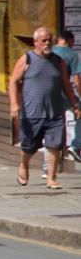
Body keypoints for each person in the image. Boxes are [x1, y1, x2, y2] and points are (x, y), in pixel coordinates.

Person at [9, 27, 81, 189]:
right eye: (44, 40)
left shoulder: (59, 61)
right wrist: (14, 104)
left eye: (49, 40)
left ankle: (51, 179)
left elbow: (66, 85)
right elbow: (13, 81)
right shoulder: (27, 59)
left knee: (54, 146)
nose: (47, 43)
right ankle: (24, 165)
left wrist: (74, 104)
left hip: (55, 113)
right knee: (29, 147)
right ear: (36, 42)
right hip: (32, 113)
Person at [51, 31, 81, 163]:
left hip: (48, 93)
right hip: (63, 92)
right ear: (68, 40)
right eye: (72, 43)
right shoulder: (71, 54)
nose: (72, 45)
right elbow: (76, 79)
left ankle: (49, 164)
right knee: (80, 112)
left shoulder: (49, 51)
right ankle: (76, 146)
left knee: (52, 122)